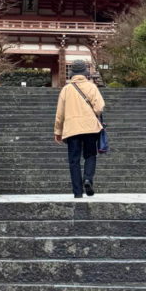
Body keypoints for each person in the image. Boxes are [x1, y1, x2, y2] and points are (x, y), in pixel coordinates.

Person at [54, 60, 105, 198]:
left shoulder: (66, 89)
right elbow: (99, 107)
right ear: (85, 73)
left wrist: (58, 131)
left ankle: (77, 192)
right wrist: (94, 113)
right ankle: (88, 178)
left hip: (72, 128)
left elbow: (60, 113)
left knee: (74, 160)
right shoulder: (92, 87)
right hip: (90, 127)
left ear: (72, 74)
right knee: (90, 155)